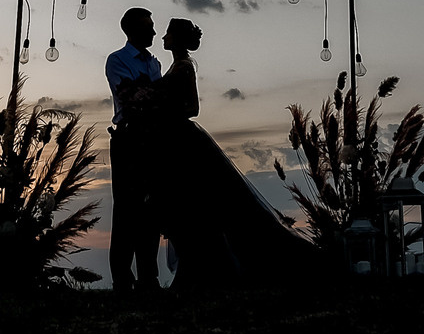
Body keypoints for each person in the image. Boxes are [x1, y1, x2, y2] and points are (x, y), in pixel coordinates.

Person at [139, 16, 328, 288]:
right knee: (186, 208)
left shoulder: (184, 67)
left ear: (177, 39)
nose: (163, 38)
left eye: (167, 34)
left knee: (198, 206)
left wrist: (161, 110)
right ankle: (198, 270)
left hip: (185, 141)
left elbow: (193, 108)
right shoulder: (173, 67)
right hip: (174, 140)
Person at [103, 7, 163, 292]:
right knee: (127, 209)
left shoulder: (154, 64)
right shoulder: (117, 60)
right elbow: (131, 98)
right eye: (148, 26)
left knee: (151, 209)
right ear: (132, 30)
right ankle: (122, 279)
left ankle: (148, 277)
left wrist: (150, 94)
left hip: (153, 138)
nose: (153, 31)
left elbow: (154, 99)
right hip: (128, 139)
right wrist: (154, 94)